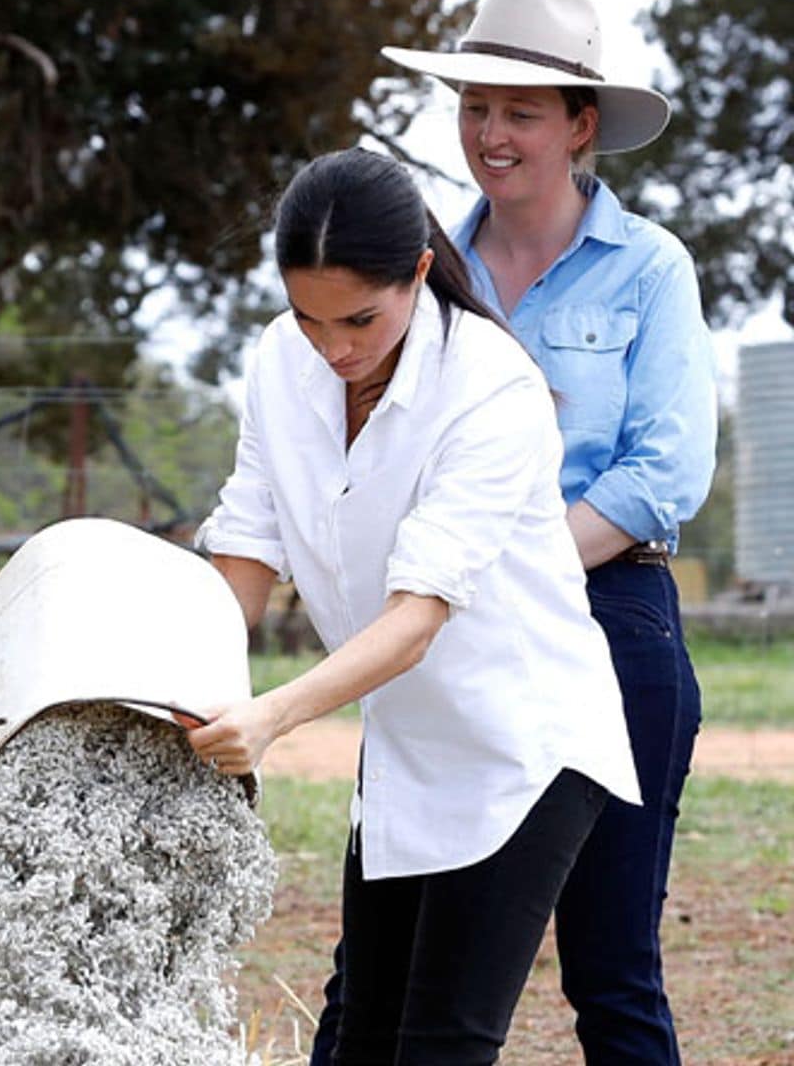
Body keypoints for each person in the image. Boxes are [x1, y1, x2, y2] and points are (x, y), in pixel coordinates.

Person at [301, 0, 718, 1061]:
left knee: (612, 969)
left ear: (580, 125)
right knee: (375, 973)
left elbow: (665, 471)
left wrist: (497, 563)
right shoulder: (420, 274)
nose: (491, 134)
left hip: (607, 622)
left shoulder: (651, 270)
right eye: (476, 106)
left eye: (522, 112)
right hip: (442, 640)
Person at [188, 147, 641, 1064]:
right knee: (357, 1035)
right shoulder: (284, 359)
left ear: (422, 273)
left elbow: (418, 617)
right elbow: (247, 538)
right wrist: (182, 676)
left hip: (526, 747)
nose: (336, 348)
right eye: (309, 317)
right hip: (408, 742)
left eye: (361, 318)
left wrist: (271, 714)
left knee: (441, 1044)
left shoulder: (492, 388)